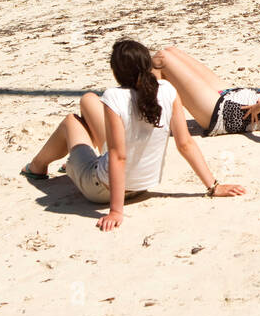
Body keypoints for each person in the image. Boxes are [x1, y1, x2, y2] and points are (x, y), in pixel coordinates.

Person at [21, 38, 245, 231]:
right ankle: (73, 162)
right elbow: (185, 144)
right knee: (88, 99)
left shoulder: (113, 97)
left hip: (101, 190)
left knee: (71, 122)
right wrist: (213, 186)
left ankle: (37, 167)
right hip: (142, 187)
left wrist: (116, 211)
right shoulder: (167, 91)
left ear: (117, 73)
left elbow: (119, 156)